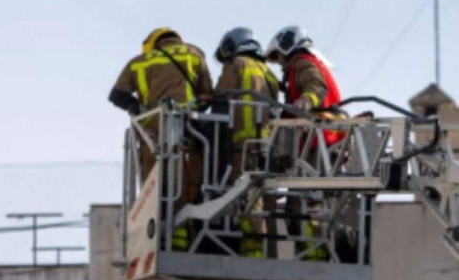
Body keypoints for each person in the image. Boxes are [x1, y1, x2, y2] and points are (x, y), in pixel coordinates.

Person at [109, 28, 214, 251]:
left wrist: (138, 109)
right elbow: (206, 97)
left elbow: (117, 95)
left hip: (152, 138)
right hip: (188, 136)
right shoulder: (194, 55)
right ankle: (183, 244)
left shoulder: (138, 62)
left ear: (152, 44)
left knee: (153, 192)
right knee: (187, 191)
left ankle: (157, 243)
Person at [266, 26, 344, 262]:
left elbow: (317, 86)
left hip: (320, 141)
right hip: (320, 142)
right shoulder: (304, 64)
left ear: (287, 48)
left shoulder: (302, 63)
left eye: (279, 58)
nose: (280, 64)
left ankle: (314, 257)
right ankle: (311, 254)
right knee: (299, 206)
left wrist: (305, 102)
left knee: (305, 205)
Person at [214, 27, 281, 258]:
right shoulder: (269, 73)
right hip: (269, 145)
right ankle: (270, 252)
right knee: (266, 198)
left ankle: (252, 251)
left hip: (243, 144)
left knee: (247, 198)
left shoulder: (237, 65)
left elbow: (220, 97)